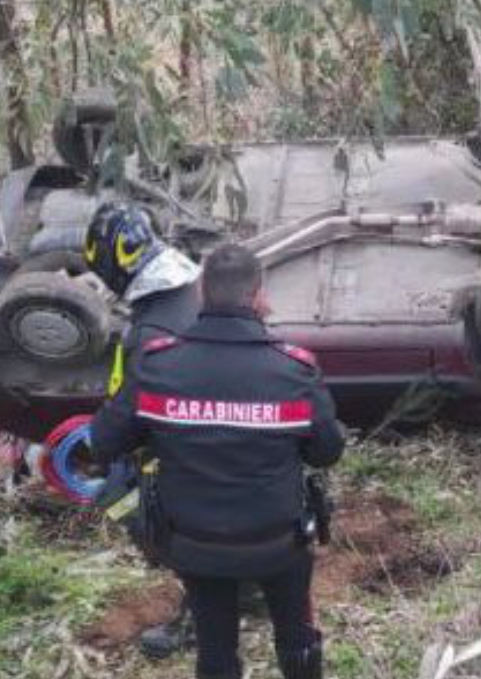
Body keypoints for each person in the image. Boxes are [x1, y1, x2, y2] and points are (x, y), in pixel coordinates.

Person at [90, 243, 345, 679]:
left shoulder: (158, 365)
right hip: (278, 545)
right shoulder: (293, 371)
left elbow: (104, 442)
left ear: (201, 293)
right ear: (259, 295)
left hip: (194, 545)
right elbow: (327, 451)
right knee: (297, 638)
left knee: (215, 651)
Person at [83, 200, 203, 658]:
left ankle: (205, 594)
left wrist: (98, 439)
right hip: (247, 446)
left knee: (116, 493)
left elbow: (114, 433)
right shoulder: (193, 290)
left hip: (198, 468)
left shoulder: (152, 332)